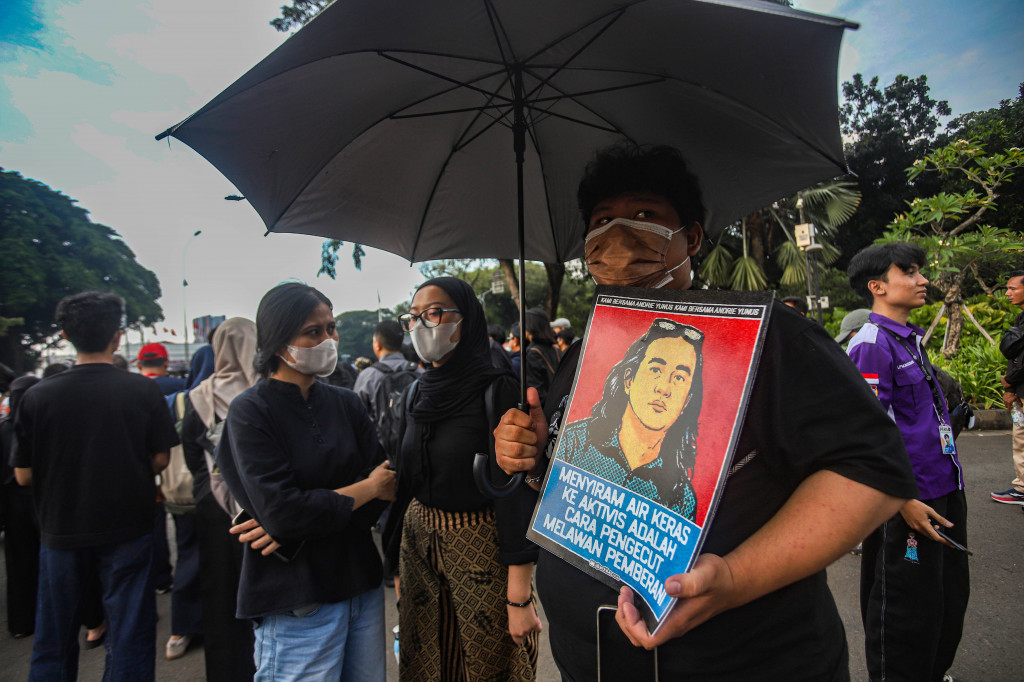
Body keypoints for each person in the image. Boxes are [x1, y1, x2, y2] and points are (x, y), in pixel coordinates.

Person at [492, 143, 917, 680]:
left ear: (690, 237)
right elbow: (566, 475)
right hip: (593, 660)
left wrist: (734, 579)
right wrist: (532, 460)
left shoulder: (770, 339)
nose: (619, 235)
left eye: (644, 215)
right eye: (602, 221)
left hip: (746, 660)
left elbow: (874, 470)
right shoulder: (585, 355)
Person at [216, 282, 395, 681]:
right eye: (313, 332)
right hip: (298, 599)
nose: (328, 339)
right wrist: (363, 490)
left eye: (330, 328)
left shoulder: (346, 402)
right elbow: (284, 513)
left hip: (359, 586)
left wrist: (299, 524)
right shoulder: (250, 412)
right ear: (278, 341)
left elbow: (387, 489)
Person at [12, 291, 178, 681]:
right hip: (129, 526)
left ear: (66, 333)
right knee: (130, 634)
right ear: (117, 337)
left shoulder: (37, 395)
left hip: (60, 528)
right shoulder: (142, 390)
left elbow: (22, 475)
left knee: (54, 635)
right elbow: (160, 459)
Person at [386, 277, 541, 681]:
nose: (423, 325)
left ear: (466, 318)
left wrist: (519, 597)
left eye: (434, 313)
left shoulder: (496, 387)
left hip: (481, 552)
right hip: (419, 551)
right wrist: (398, 566)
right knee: (429, 664)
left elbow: (515, 491)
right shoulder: (416, 392)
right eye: (414, 316)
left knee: (487, 666)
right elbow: (406, 483)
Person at [846, 242, 969, 682]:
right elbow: (866, 435)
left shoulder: (910, 339)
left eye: (920, 271)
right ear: (877, 286)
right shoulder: (871, 344)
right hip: (908, 502)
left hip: (944, 489)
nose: (922, 281)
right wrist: (901, 501)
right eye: (910, 272)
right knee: (903, 610)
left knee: (946, 599)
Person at [559, 319, 703, 519]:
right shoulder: (573, 443)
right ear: (629, 380)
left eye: (679, 377)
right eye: (655, 370)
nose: (664, 388)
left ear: (686, 402)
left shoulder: (682, 498)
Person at [180, 317, 259, 681]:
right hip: (262, 502)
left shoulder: (199, 396)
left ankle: (228, 670)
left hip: (213, 504)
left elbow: (193, 453)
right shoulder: (267, 391)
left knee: (220, 591)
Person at [2, 375, 41, 638]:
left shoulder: (3, 429)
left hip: (10, 505)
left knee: (17, 564)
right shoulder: (39, 425)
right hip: (41, 499)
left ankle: (21, 623)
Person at [992, 268, 1024, 505]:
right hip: (1020, 387)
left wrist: (1010, 381)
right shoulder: (1021, 318)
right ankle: (1022, 487)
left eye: (1013, 288)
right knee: (1021, 437)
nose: (1008, 293)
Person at [523, 308, 560, 401]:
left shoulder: (533, 354)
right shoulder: (556, 350)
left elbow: (535, 391)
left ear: (529, 327)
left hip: (543, 409)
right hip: (559, 403)